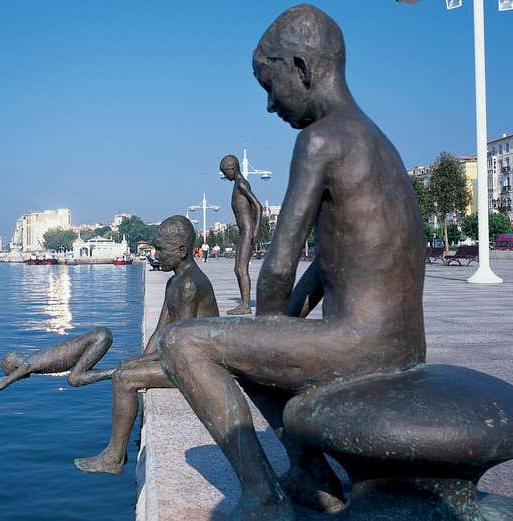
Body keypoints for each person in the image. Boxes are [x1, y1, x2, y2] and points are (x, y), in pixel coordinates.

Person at [157, 6, 426, 520]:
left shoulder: (320, 139)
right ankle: (310, 474)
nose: (268, 104)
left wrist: (269, 323)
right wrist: (274, 328)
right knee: (255, 339)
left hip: (360, 345)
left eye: (269, 83)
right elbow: (331, 264)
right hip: (403, 343)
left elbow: (279, 266)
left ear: (301, 68)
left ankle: (261, 496)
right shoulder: (377, 142)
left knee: (182, 343)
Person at [0, 215, 219, 475]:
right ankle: (115, 452)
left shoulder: (189, 285)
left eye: (160, 250)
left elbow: (182, 344)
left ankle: (114, 458)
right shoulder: (174, 281)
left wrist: (138, 368)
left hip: (200, 363)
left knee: (123, 378)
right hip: (191, 355)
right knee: (127, 369)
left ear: (182, 251)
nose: (156, 254)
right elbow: (161, 330)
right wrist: (141, 360)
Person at [220, 154, 263, 315]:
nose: (225, 176)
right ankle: (243, 303)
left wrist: (256, 230)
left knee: (241, 268)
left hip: (248, 231)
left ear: (232, 168)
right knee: (237, 269)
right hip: (243, 232)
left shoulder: (241, 184)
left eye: (225, 172)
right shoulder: (237, 184)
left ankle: (245, 306)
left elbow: (258, 206)